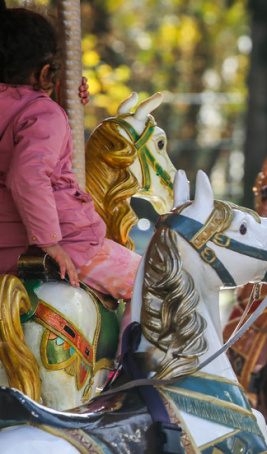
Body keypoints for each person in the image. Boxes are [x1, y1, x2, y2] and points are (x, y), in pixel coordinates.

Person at [0, 2, 140, 301]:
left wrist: (61, 103)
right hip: (63, 241)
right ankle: (135, 351)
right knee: (154, 285)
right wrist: (50, 242)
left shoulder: (39, 111)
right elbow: (28, 175)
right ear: (46, 71)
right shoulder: (43, 114)